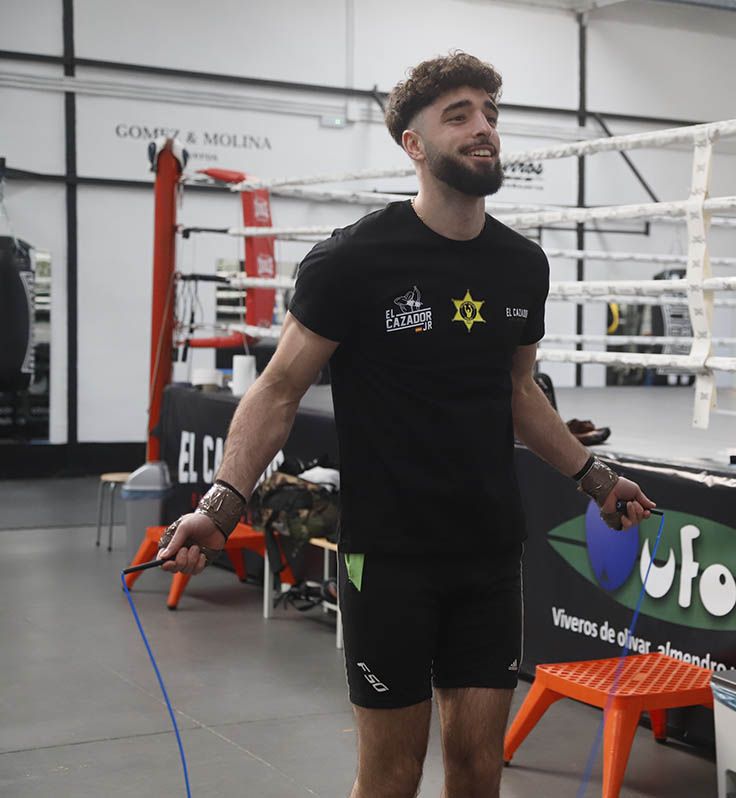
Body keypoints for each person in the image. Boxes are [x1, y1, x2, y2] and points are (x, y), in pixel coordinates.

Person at [157, 51, 655, 798]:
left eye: (490, 111)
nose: (483, 127)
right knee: (390, 776)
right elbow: (280, 388)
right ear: (413, 145)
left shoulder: (523, 266)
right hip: (388, 557)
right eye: (459, 115)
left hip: (489, 552)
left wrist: (595, 478)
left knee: (478, 772)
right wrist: (221, 504)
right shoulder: (353, 262)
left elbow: (521, 391)